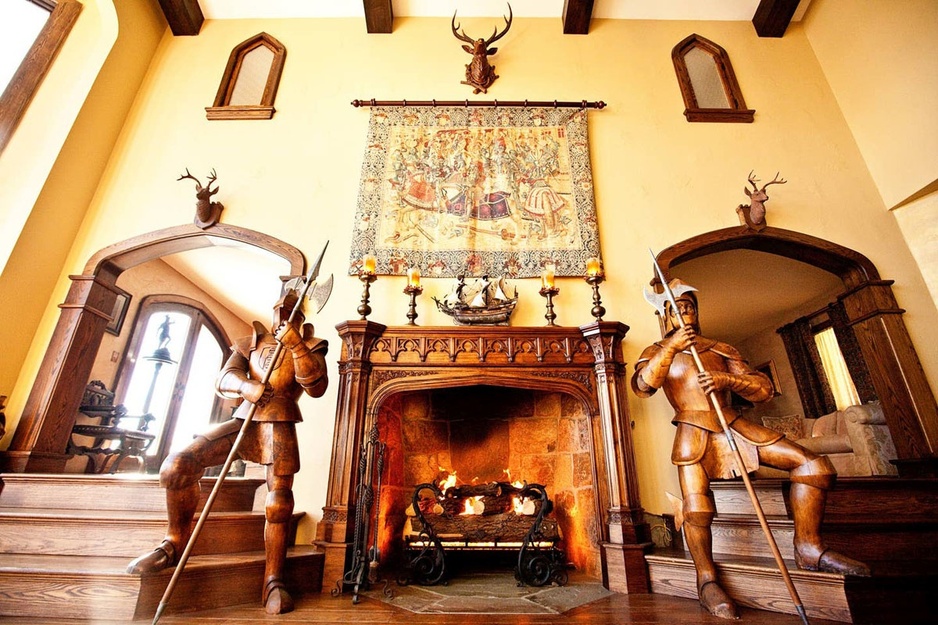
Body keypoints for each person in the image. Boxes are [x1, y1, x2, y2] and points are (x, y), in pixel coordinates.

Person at [630, 281, 868, 620]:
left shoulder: (720, 348)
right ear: (665, 315)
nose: (685, 312)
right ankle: (706, 578)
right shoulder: (655, 351)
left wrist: (727, 381)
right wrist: (671, 347)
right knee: (697, 509)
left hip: (733, 423)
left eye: (689, 306)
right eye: (677, 308)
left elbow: (763, 389)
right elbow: (643, 386)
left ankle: (809, 547)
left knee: (815, 467)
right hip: (692, 430)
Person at [127, 288, 329, 615]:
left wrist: (294, 344)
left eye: (290, 306)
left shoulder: (310, 345)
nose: (283, 311)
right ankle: (173, 543)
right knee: (177, 465)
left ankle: (274, 579)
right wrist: (246, 386)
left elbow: (315, 385)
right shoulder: (251, 341)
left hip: (280, 422)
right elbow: (224, 378)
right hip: (243, 418)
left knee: (278, 503)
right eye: (280, 305)